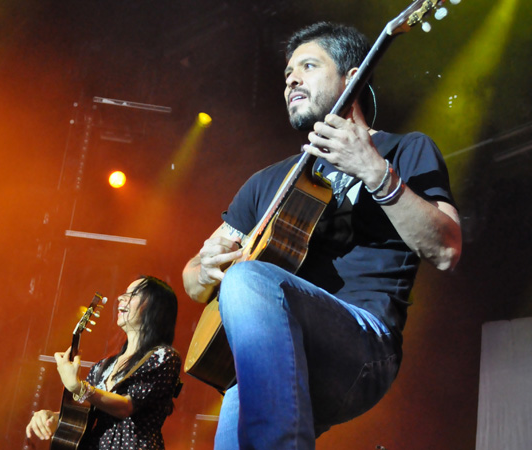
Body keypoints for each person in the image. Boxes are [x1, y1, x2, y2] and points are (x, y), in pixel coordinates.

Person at [182, 22, 462, 449]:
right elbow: (190, 279)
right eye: (287, 74)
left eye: (308, 66)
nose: (291, 79)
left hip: (364, 346)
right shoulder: (267, 181)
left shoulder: (405, 150)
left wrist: (375, 173)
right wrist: (207, 266)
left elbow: (446, 249)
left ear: (353, 78)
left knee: (247, 279)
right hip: (275, 352)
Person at [26, 275, 181, 449]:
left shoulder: (163, 356)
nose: (121, 298)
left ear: (156, 307)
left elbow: (126, 406)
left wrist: (79, 388)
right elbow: (86, 414)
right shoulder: (102, 366)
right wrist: (52, 417)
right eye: (124, 293)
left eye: (134, 294)